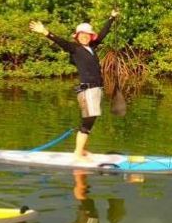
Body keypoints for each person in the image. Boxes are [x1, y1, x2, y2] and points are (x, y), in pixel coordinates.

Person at [29, 10, 119, 159]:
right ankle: (78, 154)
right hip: (87, 91)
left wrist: (111, 18)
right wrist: (45, 32)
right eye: (81, 35)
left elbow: (103, 34)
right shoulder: (75, 49)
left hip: (96, 89)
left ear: (90, 37)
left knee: (91, 120)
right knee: (87, 121)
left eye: (87, 35)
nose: (84, 37)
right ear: (77, 37)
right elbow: (61, 42)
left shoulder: (92, 47)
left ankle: (82, 150)